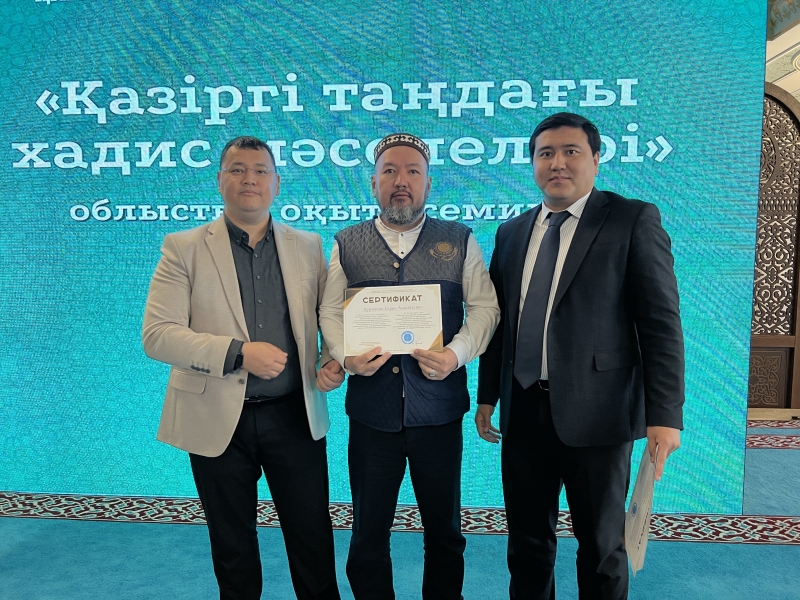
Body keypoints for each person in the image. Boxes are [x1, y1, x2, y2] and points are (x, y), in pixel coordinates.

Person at [476, 112, 684, 600]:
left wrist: (665, 416)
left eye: (571, 151)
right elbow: (501, 323)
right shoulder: (511, 232)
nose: (558, 163)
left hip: (600, 415)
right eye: (545, 153)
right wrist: (487, 396)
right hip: (523, 410)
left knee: (601, 547)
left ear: (595, 158)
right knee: (527, 543)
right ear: (532, 163)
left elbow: (661, 324)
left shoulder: (632, 219)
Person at [142, 135, 343, 600]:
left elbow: (326, 319)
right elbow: (157, 334)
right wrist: (237, 352)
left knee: (313, 540)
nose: (249, 179)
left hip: (294, 416)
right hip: (216, 419)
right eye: (237, 169)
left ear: (277, 183)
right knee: (232, 549)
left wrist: (330, 360)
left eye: (259, 170)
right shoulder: (183, 247)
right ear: (220, 181)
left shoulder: (308, 246)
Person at [319, 133, 499, 600]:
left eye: (412, 172)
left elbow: (485, 309)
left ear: (428, 183)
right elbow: (330, 311)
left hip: (438, 415)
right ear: (373, 183)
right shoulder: (346, 243)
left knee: (445, 533)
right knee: (367, 534)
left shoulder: (459, 239)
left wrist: (455, 354)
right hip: (371, 416)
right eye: (390, 171)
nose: (401, 181)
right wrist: (344, 355)